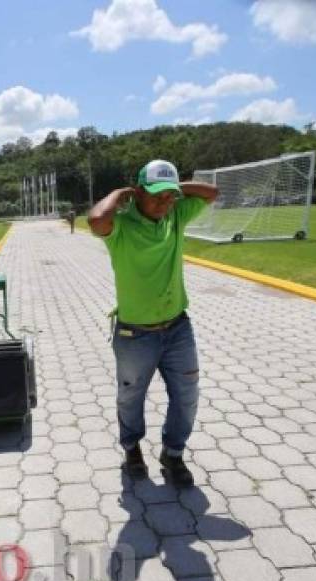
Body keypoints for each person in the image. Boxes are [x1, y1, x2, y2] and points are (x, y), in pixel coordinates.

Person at [87, 159, 218, 486]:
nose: (164, 202)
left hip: (177, 328)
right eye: (156, 195)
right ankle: (132, 449)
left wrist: (176, 188)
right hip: (135, 335)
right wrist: (120, 193)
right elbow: (95, 220)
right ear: (139, 192)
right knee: (130, 397)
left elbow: (212, 192)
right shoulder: (122, 226)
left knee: (187, 395)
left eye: (169, 196)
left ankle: (172, 454)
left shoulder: (175, 214)